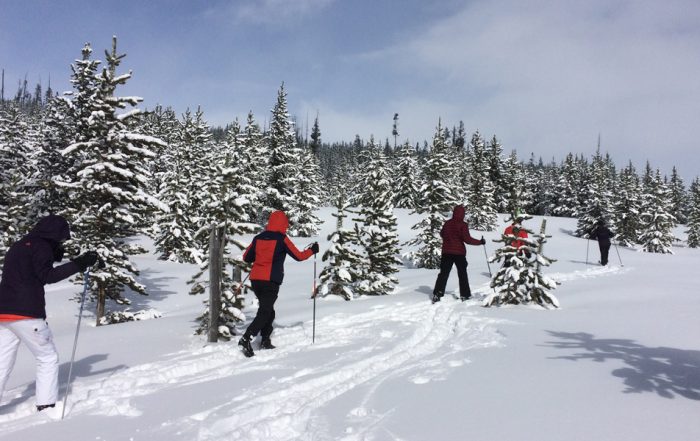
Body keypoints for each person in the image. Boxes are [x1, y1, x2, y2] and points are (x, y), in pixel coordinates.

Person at [0, 214, 98, 411]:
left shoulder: (20, 245)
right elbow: (48, 276)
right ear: (55, 234)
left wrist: (55, 255)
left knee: (2, 360)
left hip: (4, 312)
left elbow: (28, 267)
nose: (62, 241)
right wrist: (80, 264)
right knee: (47, 357)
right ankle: (46, 405)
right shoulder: (42, 247)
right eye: (61, 238)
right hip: (28, 313)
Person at [238, 210, 319, 357]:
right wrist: (312, 251)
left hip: (256, 280)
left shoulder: (258, 237)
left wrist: (261, 256)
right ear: (284, 224)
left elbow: (246, 257)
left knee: (268, 310)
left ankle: (265, 340)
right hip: (271, 281)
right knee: (265, 311)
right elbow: (299, 256)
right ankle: (246, 338)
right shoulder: (282, 238)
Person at [432, 205, 485, 302]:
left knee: (443, 273)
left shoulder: (447, 223)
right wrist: (480, 242)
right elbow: (467, 240)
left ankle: (437, 293)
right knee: (462, 274)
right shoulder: (463, 225)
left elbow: (442, 234)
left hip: (446, 252)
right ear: (462, 214)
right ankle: (465, 295)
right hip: (459, 253)